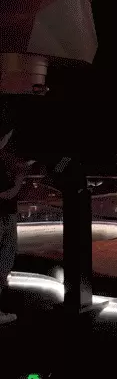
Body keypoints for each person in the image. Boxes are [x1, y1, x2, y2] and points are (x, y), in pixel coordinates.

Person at [0, 130, 33, 325]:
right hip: (4, 216)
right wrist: (20, 178)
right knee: (4, 261)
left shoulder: (3, 159)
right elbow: (7, 194)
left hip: (5, 216)